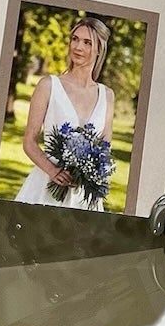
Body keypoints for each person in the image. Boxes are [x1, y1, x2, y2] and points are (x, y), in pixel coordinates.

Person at [19, 15, 115, 210]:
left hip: (83, 197)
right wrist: (53, 171)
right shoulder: (48, 86)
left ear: (99, 49)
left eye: (87, 42)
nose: (78, 47)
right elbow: (29, 141)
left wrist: (91, 176)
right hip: (46, 188)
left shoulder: (107, 95)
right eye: (75, 39)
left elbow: (105, 149)